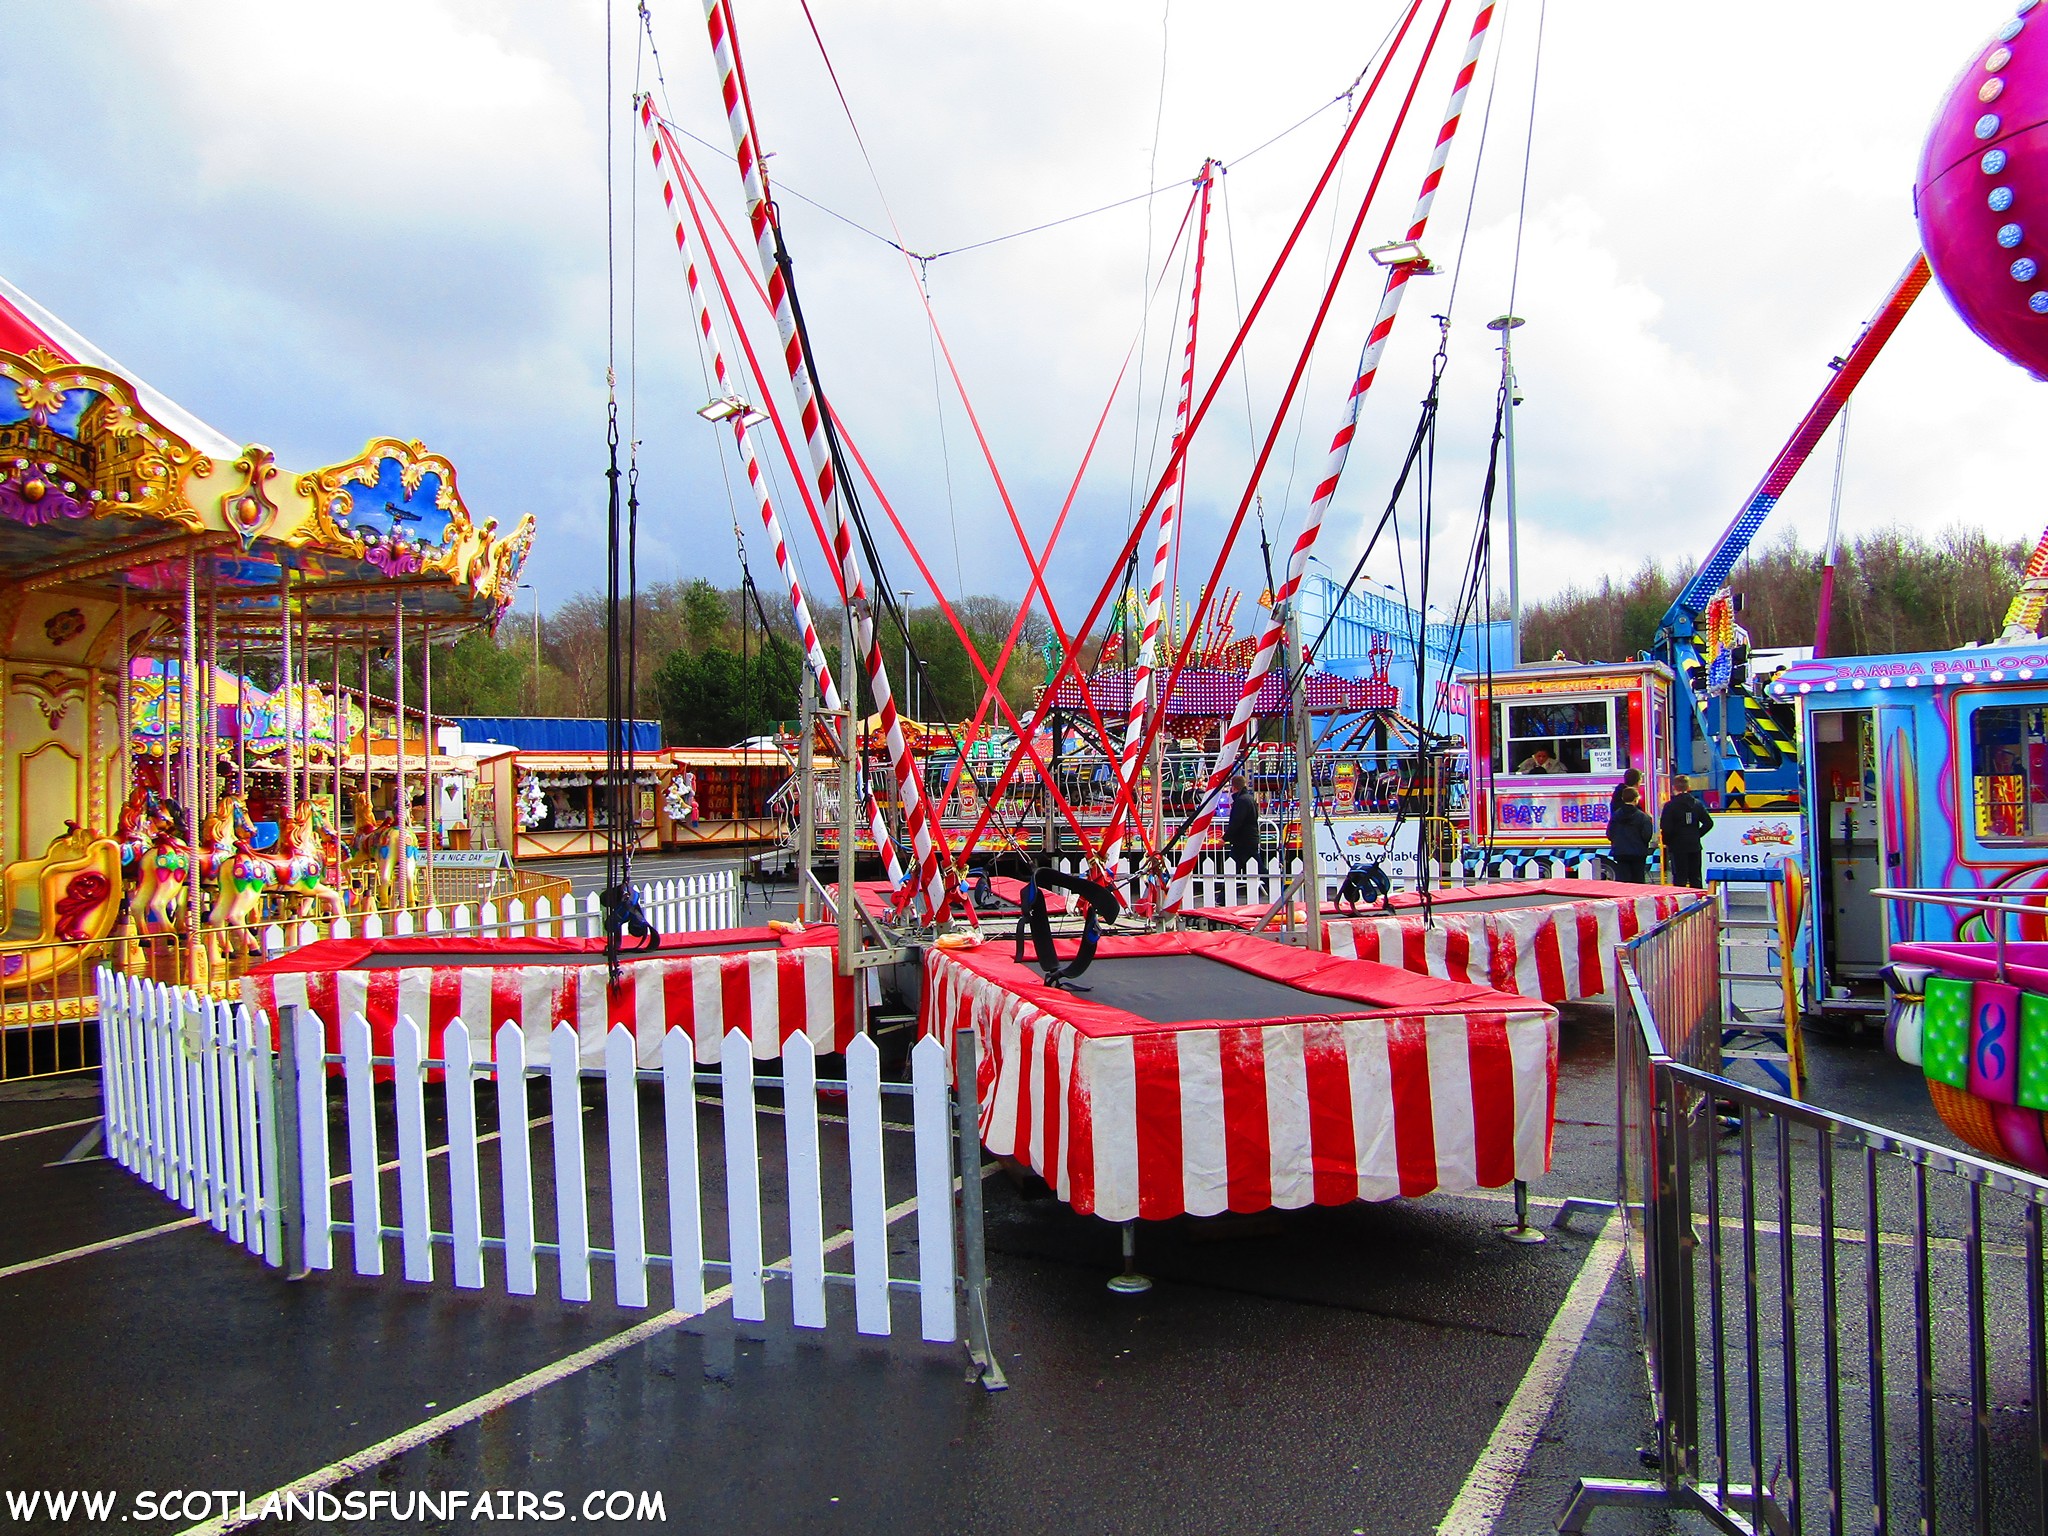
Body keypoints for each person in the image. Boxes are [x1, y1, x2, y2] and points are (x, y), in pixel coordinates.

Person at [1659, 774, 1714, 887]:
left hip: (1678, 845)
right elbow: (1709, 823)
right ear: (1688, 787)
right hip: (1694, 845)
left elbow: (1666, 828)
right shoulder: (1697, 804)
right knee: (1695, 877)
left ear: (1674, 787)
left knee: (1680, 877)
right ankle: (1699, 902)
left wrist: (1668, 841)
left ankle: (1681, 903)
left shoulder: (1670, 806)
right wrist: (1696, 834)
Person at [1605, 785, 1656, 884]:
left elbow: (1610, 833)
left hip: (1621, 853)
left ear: (1623, 798)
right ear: (1636, 799)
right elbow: (1646, 836)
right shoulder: (1643, 817)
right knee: (1638, 883)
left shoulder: (1616, 816)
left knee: (1623, 883)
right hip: (1638, 854)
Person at [1224, 775, 1261, 869]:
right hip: (1248, 839)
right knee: (1254, 866)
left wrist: (1225, 838)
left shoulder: (1241, 801)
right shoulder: (1249, 798)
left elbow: (1236, 822)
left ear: (1233, 787)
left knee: (1233, 866)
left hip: (1243, 840)